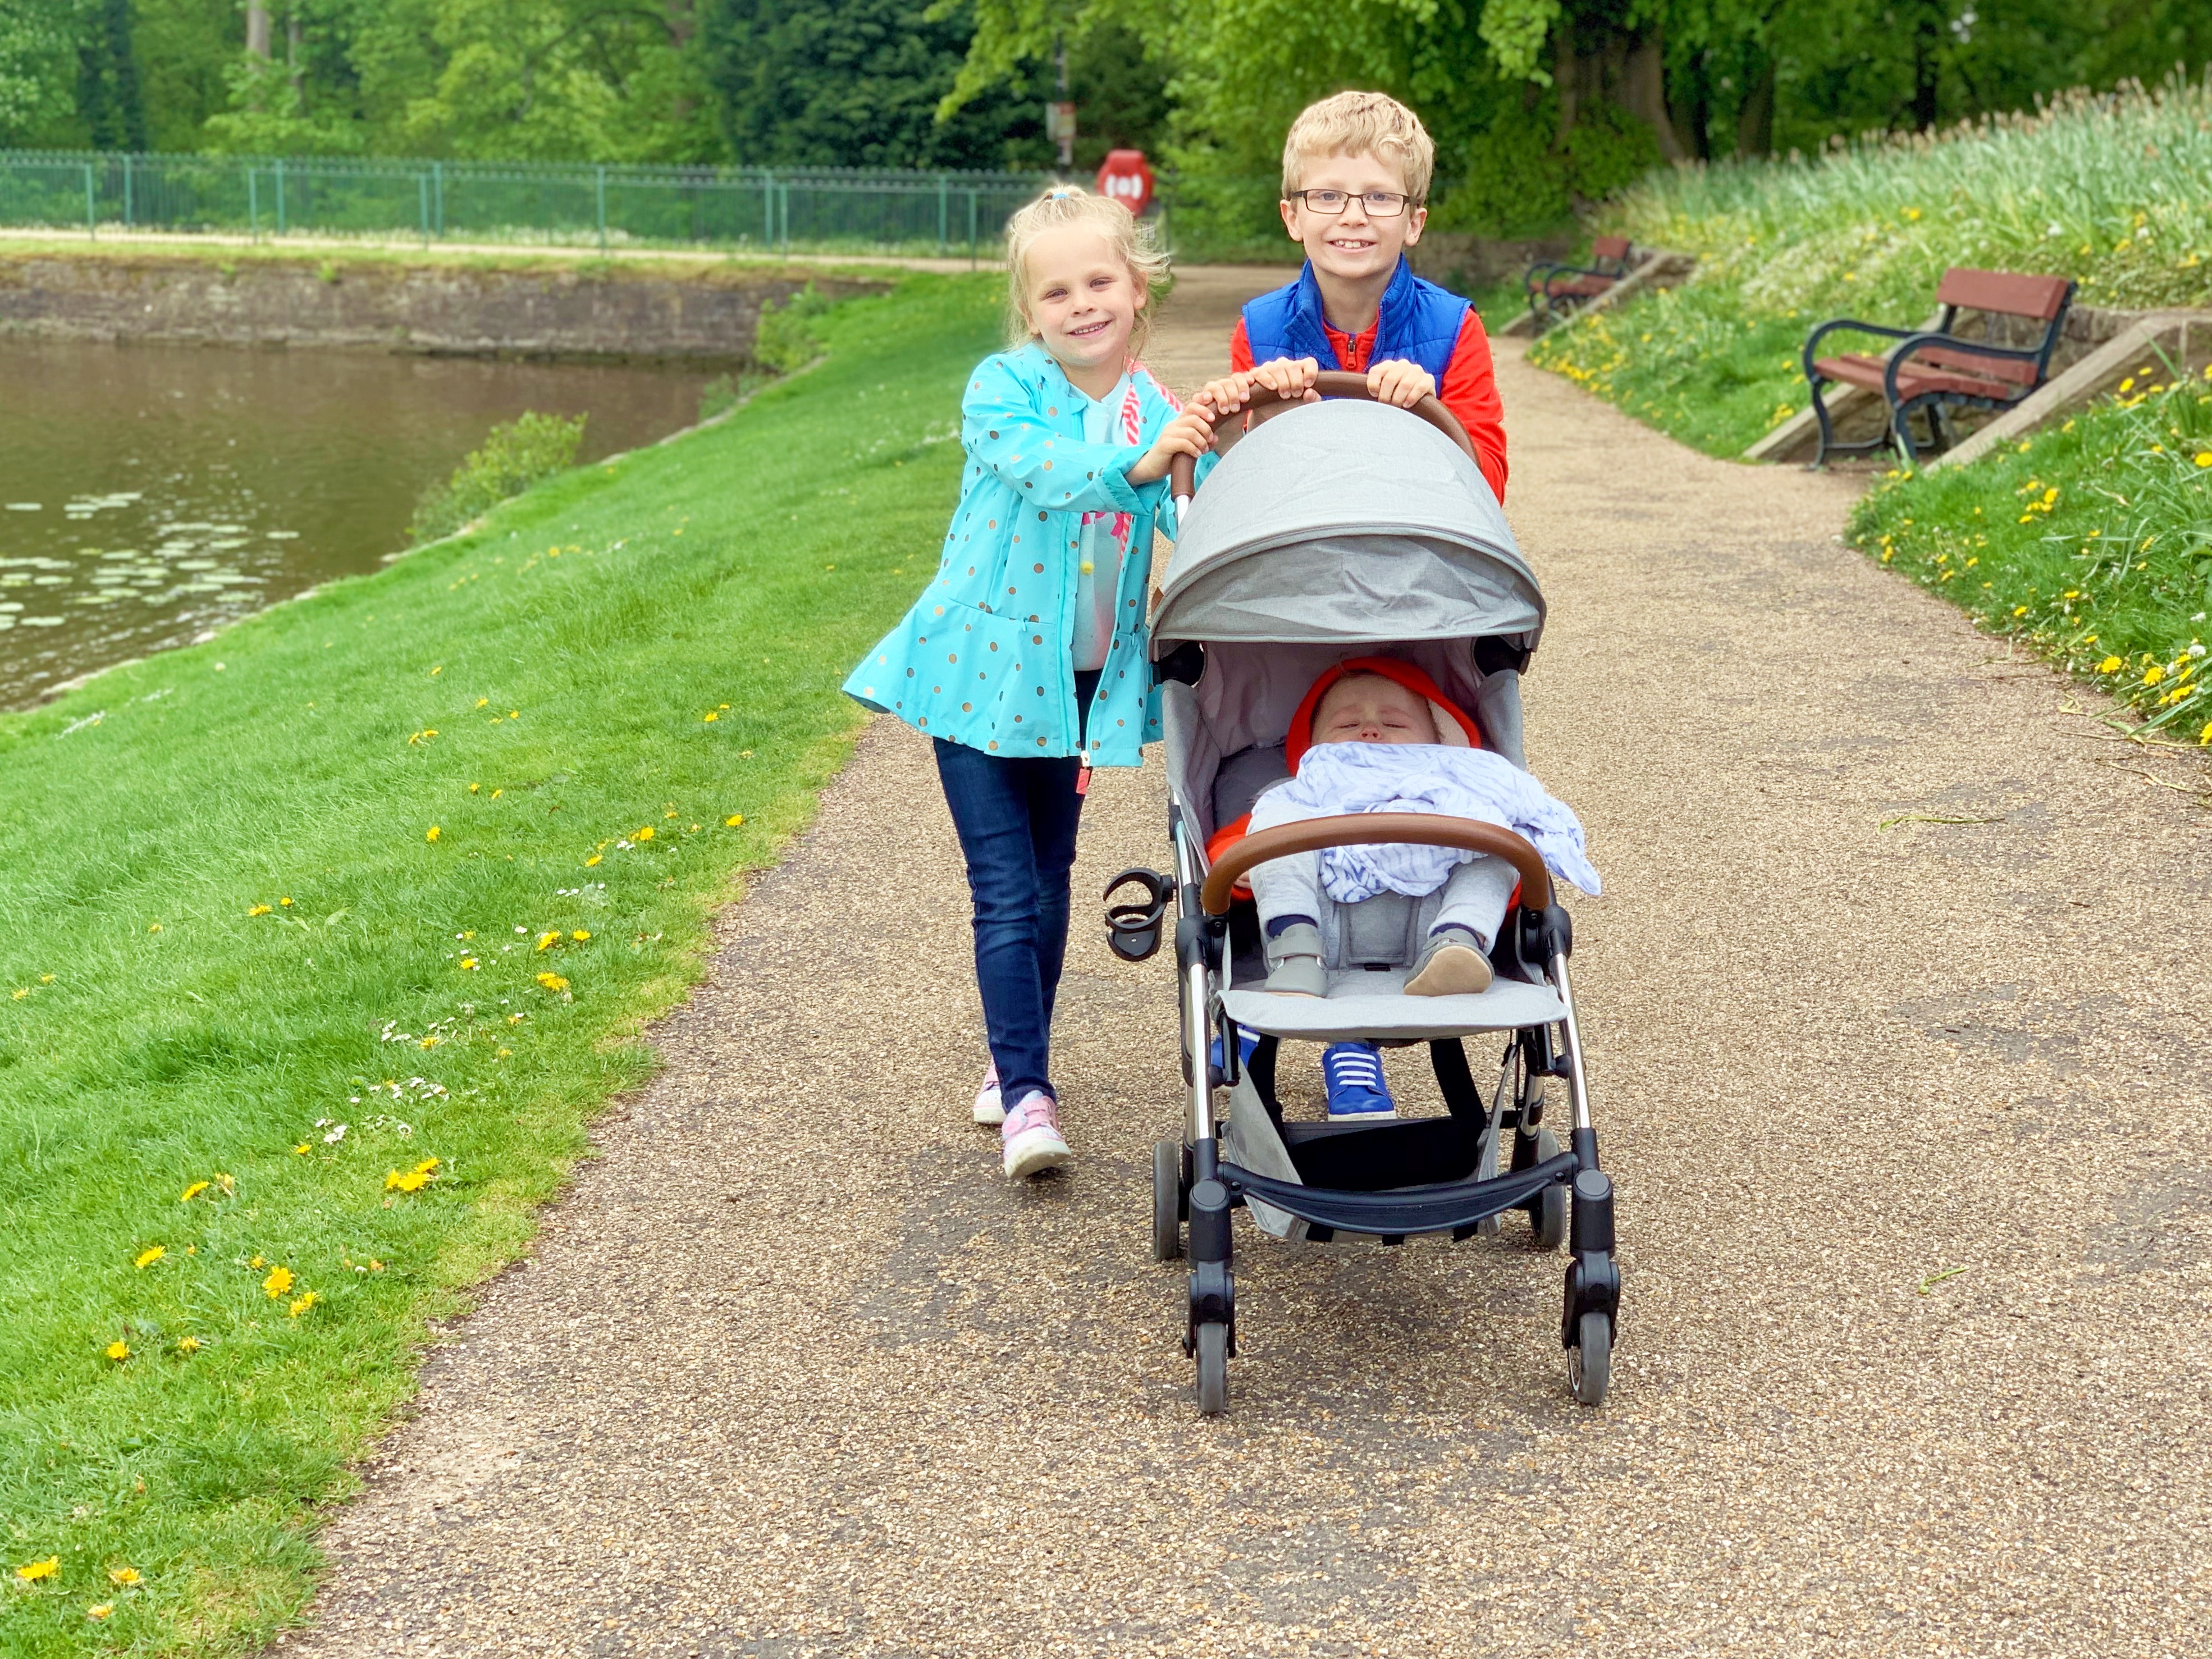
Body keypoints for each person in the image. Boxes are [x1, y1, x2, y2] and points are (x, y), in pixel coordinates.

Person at [843, 185, 1218, 1179]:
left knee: (1050, 880)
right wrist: (1146, 464)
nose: (1081, 303)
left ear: (1137, 290)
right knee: (1005, 888)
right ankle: (1027, 1096)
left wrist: (1222, 463)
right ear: (1032, 310)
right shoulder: (1001, 389)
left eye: (1100, 281)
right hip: (977, 672)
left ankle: (1016, 1054)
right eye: (1057, 292)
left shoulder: (1160, 411)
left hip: (1080, 685)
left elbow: (1199, 518)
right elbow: (1050, 471)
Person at [1227, 660, 1601, 1122]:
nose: (1369, 731)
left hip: (1430, 926)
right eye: (1347, 723)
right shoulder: (1301, 792)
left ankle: (1460, 942)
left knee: (1501, 840)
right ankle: (1295, 948)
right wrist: (1243, 865)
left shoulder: (1457, 794)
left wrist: (1503, 851)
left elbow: (1512, 872)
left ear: (1438, 742)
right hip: (1324, 935)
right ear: (1314, 743)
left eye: (1394, 722)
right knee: (1273, 829)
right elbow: (1231, 850)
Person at [1197, 89, 1509, 505]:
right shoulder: (1259, 330)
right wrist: (1256, 427)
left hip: (1415, 549)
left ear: (1414, 224)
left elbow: (1489, 490)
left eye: (1380, 197)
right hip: (1303, 550)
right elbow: (1242, 500)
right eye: (1327, 196)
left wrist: (1430, 419)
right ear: (1293, 217)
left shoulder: (1454, 329)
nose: (1353, 216)